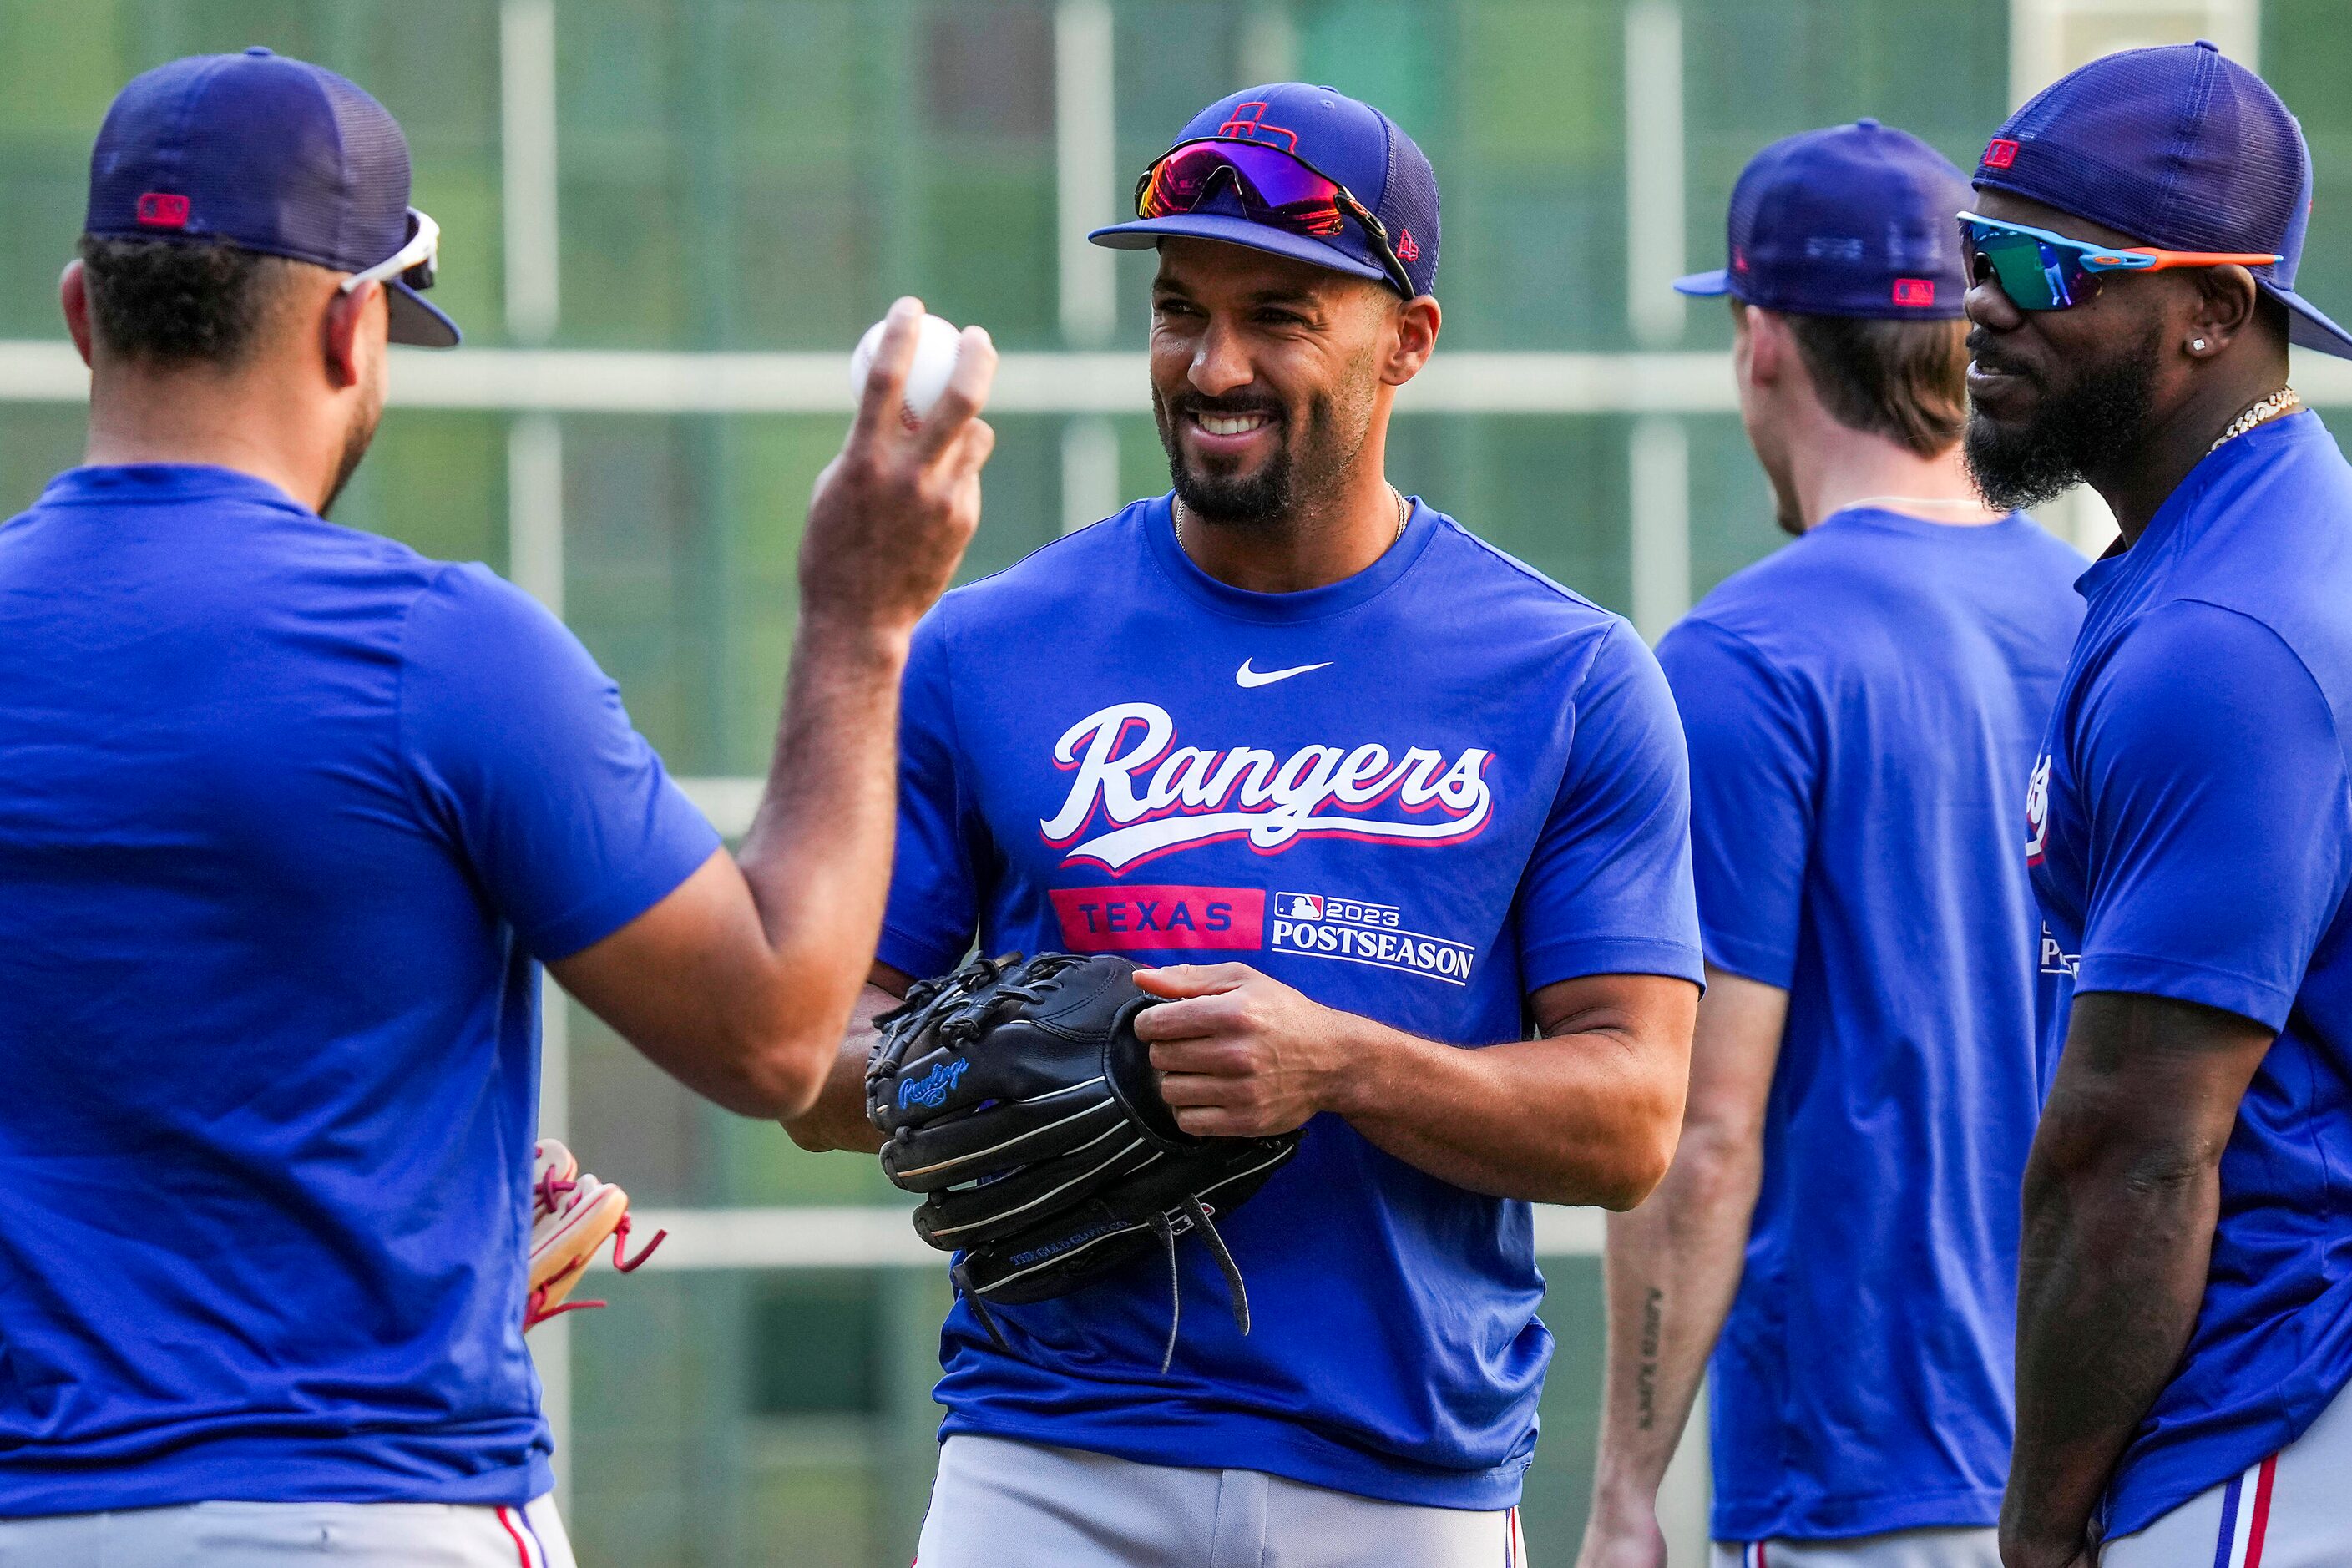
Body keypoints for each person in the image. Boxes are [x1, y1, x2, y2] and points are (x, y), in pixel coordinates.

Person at [0, 50, 995, 1565]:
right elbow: (781, 1034)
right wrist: (860, 619)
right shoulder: (442, 654)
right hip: (365, 1503)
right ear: (351, 328)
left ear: (83, 313)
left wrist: (425, 1225)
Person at [783, 83, 1702, 1566]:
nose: (1213, 364)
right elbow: (811, 1066)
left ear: (1407, 340)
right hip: (1050, 1457)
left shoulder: (1570, 675)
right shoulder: (984, 649)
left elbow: (1631, 1119)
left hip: (1402, 1480)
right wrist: (989, 1063)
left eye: (1278, 312)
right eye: (1176, 309)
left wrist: (1337, 1063)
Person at [1574, 122, 2087, 1568]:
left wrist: (1624, 1490)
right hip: (2105, 1466)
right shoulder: (2104, 621)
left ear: (1761, 344)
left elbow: (1702, 1126)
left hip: (1864, 1478)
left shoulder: (1745, 656)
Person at [1958, 43, 2352, 1568]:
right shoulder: (2237, 551)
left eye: (2038, 264)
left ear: (2210, 312)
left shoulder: (2227, 641)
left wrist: (2041, 1524)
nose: (1980, 300)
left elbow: (2138, 1146)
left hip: (2267, 1411)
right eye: (1967, 249)